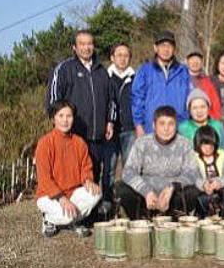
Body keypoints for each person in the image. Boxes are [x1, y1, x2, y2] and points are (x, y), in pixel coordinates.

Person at [45, 30, 115, 184]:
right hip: (73, 136)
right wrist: (61, 126)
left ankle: (93, 208)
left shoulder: (102, 71)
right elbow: (53, 101)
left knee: (93, 176)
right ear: (74, 47)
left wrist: (110, 122)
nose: (86, 47)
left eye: (89, 43)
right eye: (82, 44)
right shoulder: (64, 69)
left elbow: (111, 100)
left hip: (96, 137)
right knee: (72, 178)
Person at [116, 106, 199, 220]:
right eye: (162, 124)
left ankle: (174, 218)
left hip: (172, 194)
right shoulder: (142, 143)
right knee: (123, 188)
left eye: (171, 124)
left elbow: (192, 173)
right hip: (147, 193)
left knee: (192, 191)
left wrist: (172, 187)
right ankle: (141, 219)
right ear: (154, 125)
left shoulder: (185, 144)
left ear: (176, 126)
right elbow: (128, 172)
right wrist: (147, 191)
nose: (166, 128)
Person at [35, 100, 101, 238]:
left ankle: (73, 220)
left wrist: (88, 180)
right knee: (65, 216)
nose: (65, 120)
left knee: (96, 193)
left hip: (72, 193)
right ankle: (48, 219)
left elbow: (86, 167)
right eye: (61, 116)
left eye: (69, 116)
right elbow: (44, 178)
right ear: (53, 119)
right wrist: (61, 198)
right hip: (49, 195)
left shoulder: (79, 142)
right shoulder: (45, 143)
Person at [131, 31, 190, 137]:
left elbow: (189, 100)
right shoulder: (145, 70)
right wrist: (139, 125)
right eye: (162, 45)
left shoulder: (183, 71)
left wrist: (185, 124)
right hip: (151, 129)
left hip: (178, 129)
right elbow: (137, 99)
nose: (166, 49)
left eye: (169, 45)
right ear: (155, 48)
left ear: (174, 49)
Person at [101, 43, 136, 212]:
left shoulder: (135, 78)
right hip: (110, 130)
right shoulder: (104, 77)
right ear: (112, 57)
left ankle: (129, 203)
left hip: (130, 129)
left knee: (130, 167)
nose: (122, 58)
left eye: (126, 55)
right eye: (119, 55)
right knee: (109, 168)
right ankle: (107, 202)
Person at [192, 126, 224, 217]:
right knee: (196, 194)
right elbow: (193, 176)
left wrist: (220, 182)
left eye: (211, 145)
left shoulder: (222, 155)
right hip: (203, 187)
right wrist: (203, 185)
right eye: (204, 145)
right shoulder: (194, 157)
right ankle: (204, 217)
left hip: (220, 186)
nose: (208, 148)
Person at [178, 89, 224, 156]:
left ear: (208, 108)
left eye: (202, 107)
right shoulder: (182, 128)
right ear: (189, 110)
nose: (199, 111)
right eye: (195, 108)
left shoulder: (218, 126)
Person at [186, 51, 222, 120]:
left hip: (204, 121)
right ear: (187, 62)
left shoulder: (208, 82)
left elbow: (215, 104)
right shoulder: (180, 80)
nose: (195, 62)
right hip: (185, 121)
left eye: (198, 59)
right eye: (192, 59)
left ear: (202, 62)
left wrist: (213, 119)